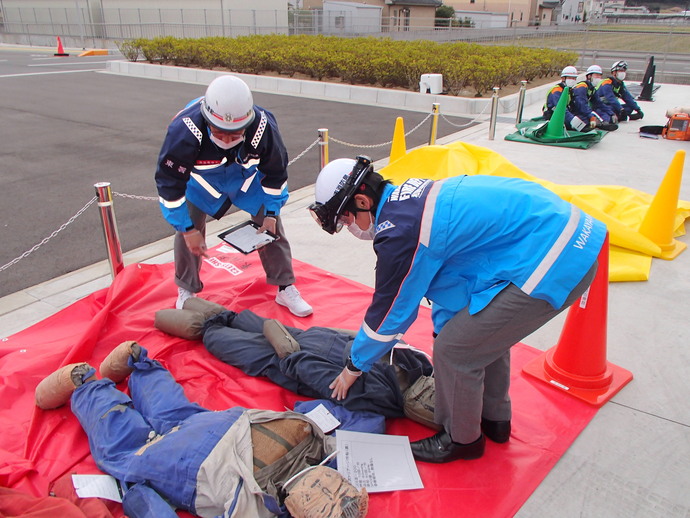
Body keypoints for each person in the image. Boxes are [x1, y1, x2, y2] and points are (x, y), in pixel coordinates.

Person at [308, 157, 607, 463]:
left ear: (362, 199)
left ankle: (462, 440)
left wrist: (355, 365)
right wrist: (445, 329)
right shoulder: (410, 201)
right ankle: (495, 420)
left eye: (346, 220)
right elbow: (453, 284)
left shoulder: (399, 232)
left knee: (456, 350)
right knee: (478, 332)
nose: (350, 229)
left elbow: (388, 312)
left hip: (558, 257)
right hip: (565, 237)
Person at [34, 341, 368, 518]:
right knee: (127, 455)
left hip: (229, 425)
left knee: (176, 413)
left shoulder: (327, 449)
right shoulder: (261, 511)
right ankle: (86, 385)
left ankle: (140, 362)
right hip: (193, 464)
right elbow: (147, 505)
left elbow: (333, 415)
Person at [155, 74, 312, 316]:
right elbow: (169, 185)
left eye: (235, 133)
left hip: (245, 179)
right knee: (188, 230)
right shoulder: (185, 130)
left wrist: (271, 213)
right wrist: (187, 229)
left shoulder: (263, 126)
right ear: (207, 121)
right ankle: (187, 290)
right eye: (219, 132)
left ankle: (285, 287)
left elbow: (275, 174)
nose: (227, 139)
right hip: (201, 184)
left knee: (272, 228)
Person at [153, 298, 437, 426]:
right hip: (309, 340)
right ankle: (195, 307)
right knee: (238, 320)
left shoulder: (384, 396)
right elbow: (373, 340)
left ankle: (183, 316)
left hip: (280, 357)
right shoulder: (419, 365)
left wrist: (287, 349)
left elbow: (320, 378)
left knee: (215, 335)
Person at [570, 64, 618, 131]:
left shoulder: (592, 89)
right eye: (596, 75)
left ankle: (602, 123)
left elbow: (599, 103)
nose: (598, 78)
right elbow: (582, 105)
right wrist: (591, 116)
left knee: (605, 114)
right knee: (585, 120)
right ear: (589, 76)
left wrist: (611, 113)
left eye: (599, 75)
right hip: (575, 111)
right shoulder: (582, 87)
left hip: (584, 111)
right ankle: (599, 125)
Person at [542, 65, 581, 130]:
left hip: (562, 115)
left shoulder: (569, 90)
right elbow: (560, 108)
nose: (573, 80)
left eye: (574, 78)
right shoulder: (557, 90)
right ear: (563, 78)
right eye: (570, 78)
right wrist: (572, 119)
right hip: (552, 117)